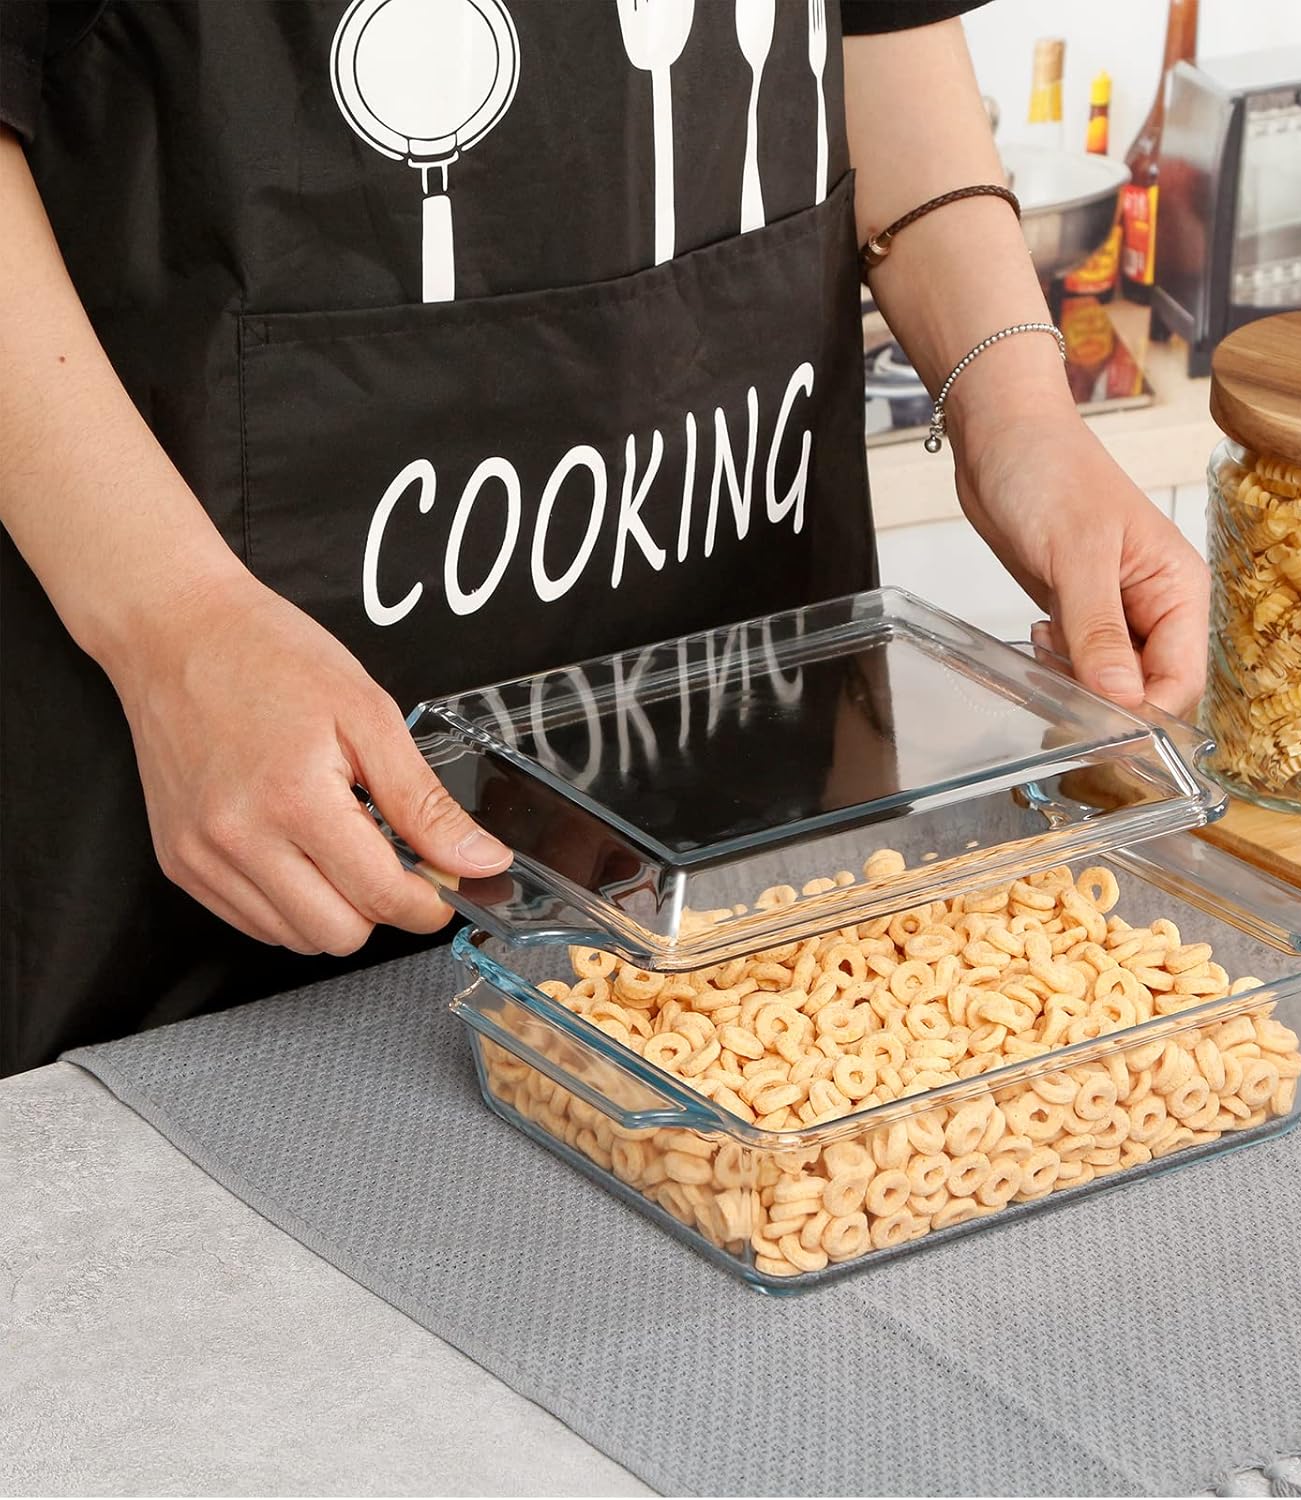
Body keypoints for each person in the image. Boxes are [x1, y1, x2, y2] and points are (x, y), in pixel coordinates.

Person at [0, 0, 1208, 1076]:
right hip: (233, 776)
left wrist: (1017, 411)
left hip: (752, 700)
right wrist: (174, 621)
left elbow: (884, 23)